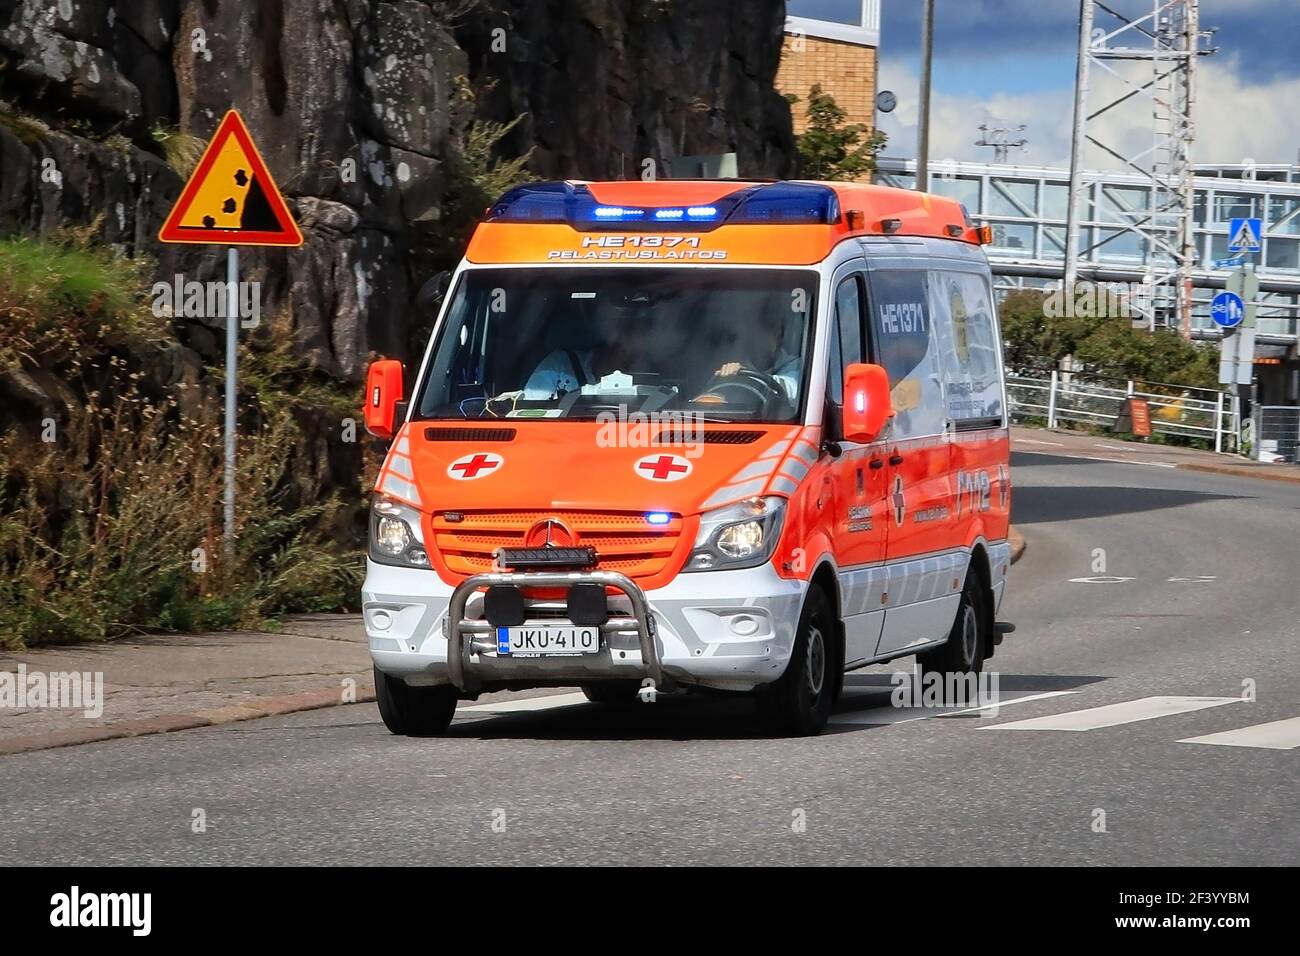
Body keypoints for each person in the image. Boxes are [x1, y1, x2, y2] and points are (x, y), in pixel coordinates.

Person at [710, 308, 800, 403]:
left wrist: (745, 376)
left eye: (772, 327)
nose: (767, 336)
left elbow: (791, 389)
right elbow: (707, 400)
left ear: (780, 336)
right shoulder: (730, 363)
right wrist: (727, 377)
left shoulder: (795, 365)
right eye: (763, 327)